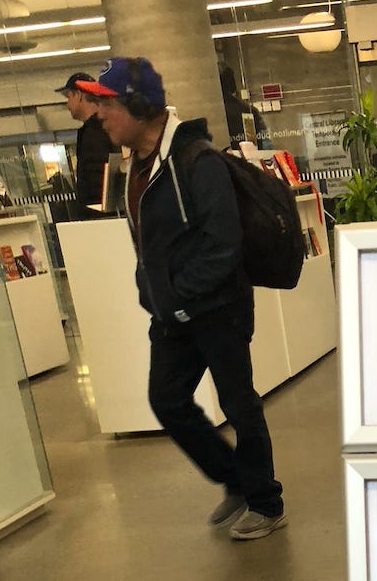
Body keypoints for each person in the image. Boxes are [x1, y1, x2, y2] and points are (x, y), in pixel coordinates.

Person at [79, 56, 286, 540]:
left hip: (218, 308)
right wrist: (154, 294)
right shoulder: (139, 166)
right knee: (167, 399)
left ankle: (266, 502)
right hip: (172, 311)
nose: (98, 115)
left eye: (106, 104)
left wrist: (178, 296)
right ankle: (235, 479)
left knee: (239, 405)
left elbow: (224, 245)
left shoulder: (198, 161)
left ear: (137, 105)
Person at [55, 72, 115, 219]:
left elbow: (96, 180)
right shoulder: (101, 128)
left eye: (69, 97)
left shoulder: (95, 132)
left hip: (100, 218)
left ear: (79, 95)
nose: (67, 104)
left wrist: (90, 216)